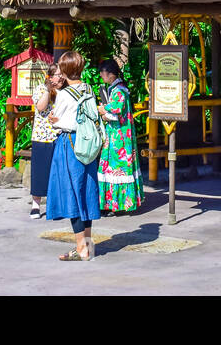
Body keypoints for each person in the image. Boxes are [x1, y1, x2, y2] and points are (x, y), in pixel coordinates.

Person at [45, 51, 102, 261]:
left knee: (72, 194)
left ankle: (81, 248)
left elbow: (59, 120)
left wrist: (54, 120)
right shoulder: (88, 88)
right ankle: (87, 244)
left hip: (69, 145)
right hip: (88, 144)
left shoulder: (64, 94)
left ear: (66, 70)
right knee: (86, 192)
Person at [96, 61, 143, 213]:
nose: (101, 76)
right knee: (114, 168)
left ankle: (116, 204)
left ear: (110, 74)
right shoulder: (118, 88)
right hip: (119, 135)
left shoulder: (118, 91)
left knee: (115, 168)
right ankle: (116, 204)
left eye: (102, 73)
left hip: (119, 137)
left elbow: (115, 112)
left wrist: (102, 110)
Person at [28, 61, 62, 220]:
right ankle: (36, 204)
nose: (60, 78)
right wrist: (49, 90)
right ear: (50, 76)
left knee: (57, 172)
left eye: (62, 75)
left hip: (59, 135)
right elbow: (40, 107)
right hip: (42, 136)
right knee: (39, 171)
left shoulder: (64, 91)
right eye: (57, 75)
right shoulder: (41, 89)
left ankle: (55, 205)